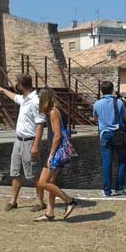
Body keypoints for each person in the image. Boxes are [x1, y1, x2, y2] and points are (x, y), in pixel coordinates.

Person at [0, 74, 47, 211]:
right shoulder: (24, 99)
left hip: (29, 142)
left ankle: (40, 202)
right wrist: (3, 90)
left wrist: (35, 146)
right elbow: (15, 97)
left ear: (20, 85)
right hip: (18, 141)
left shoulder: (35, 101)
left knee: (34, 174)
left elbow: (40, 125)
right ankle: (13, 201)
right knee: (15, 172)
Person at [34, 88, 78, 222]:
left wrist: (51, 154)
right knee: (50, 182)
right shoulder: (56, 111)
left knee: (43, 182)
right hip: (55, 150)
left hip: (56, 151)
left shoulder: (53, 112)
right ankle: (49, 213)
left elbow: (57, 135)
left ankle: (69, 201)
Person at [92, 81, 126, 197]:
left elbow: (95, 118)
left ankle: (107, 190)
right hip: (118, 134)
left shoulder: (97, 104)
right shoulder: (119, 102)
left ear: (101, 91)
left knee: (107, 162)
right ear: (112, 90)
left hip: (105, 134)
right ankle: (119, 188)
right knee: (122, 160)